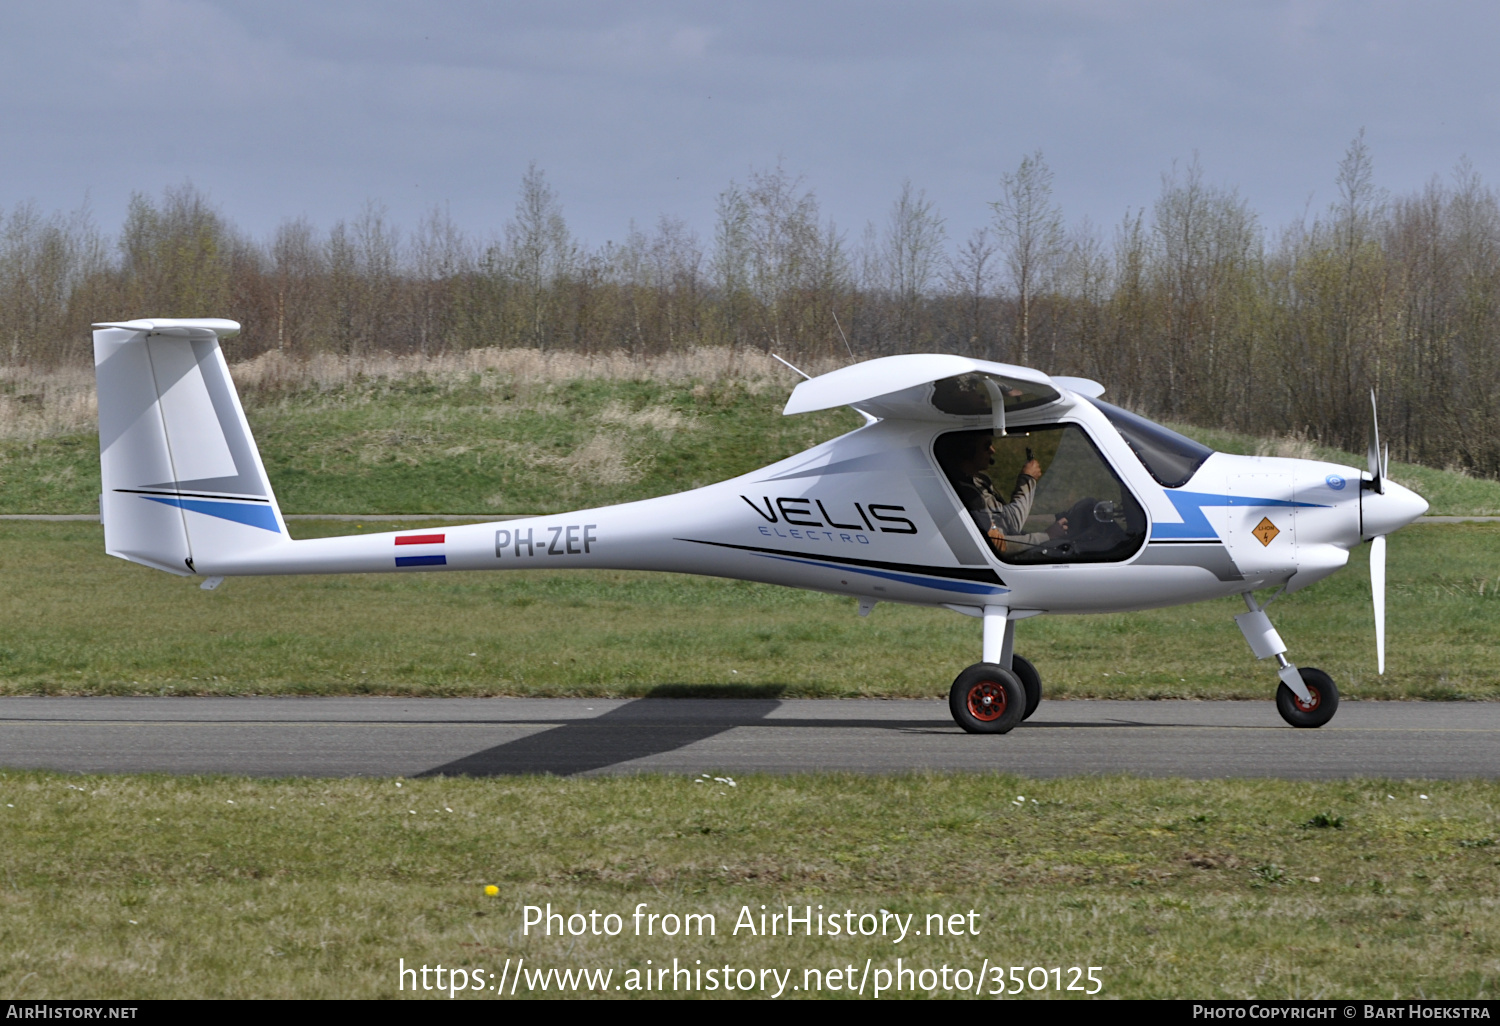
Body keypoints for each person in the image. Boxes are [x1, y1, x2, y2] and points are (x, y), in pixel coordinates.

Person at [938, 432, 1069, 555]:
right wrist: (1027, 479)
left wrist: (1052, 520)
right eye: (986, 446)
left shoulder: (979, 481)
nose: (992, 450)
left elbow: (1003, 518)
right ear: (967, 450)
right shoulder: (968, 494)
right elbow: (1004, 536)